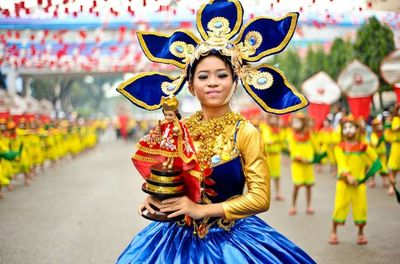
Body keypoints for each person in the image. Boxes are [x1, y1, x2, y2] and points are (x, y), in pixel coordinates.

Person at [116, 0, 314, 263]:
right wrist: (154, 199)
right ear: (190, 86)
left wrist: (201, 209)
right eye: (203, 76)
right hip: (173, 240)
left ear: (235, 81)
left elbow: (260, 197)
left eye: (222, 75)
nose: (213, 83)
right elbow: (168, 179)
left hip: (231, 240)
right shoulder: (179, 129)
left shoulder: (245, 132)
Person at [329, 116, 381, 245]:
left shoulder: (363, 147)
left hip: (359, 183)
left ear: (357, 129)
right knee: (339, 207)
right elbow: (341, 163)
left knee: (361, 208)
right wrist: (347, 175)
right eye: (345, 127)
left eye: (351, 127)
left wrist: (385, 174)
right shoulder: (339, 147)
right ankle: (334, 231)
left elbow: (376, 160)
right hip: (343, 183)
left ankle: (361, 233)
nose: (348, 130)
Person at [287, 114, 318, 216]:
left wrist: (319, 156)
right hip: (297, 165)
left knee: (309, 186)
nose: (296, 124)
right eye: (294, 122)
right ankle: (293, 205)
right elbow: (292, 149)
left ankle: (309, 205)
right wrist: (299, 158)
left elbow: (315, 146)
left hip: (308, 164)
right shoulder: (291, 134)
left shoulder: (309, 134)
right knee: (296, 185)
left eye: (298, 122)